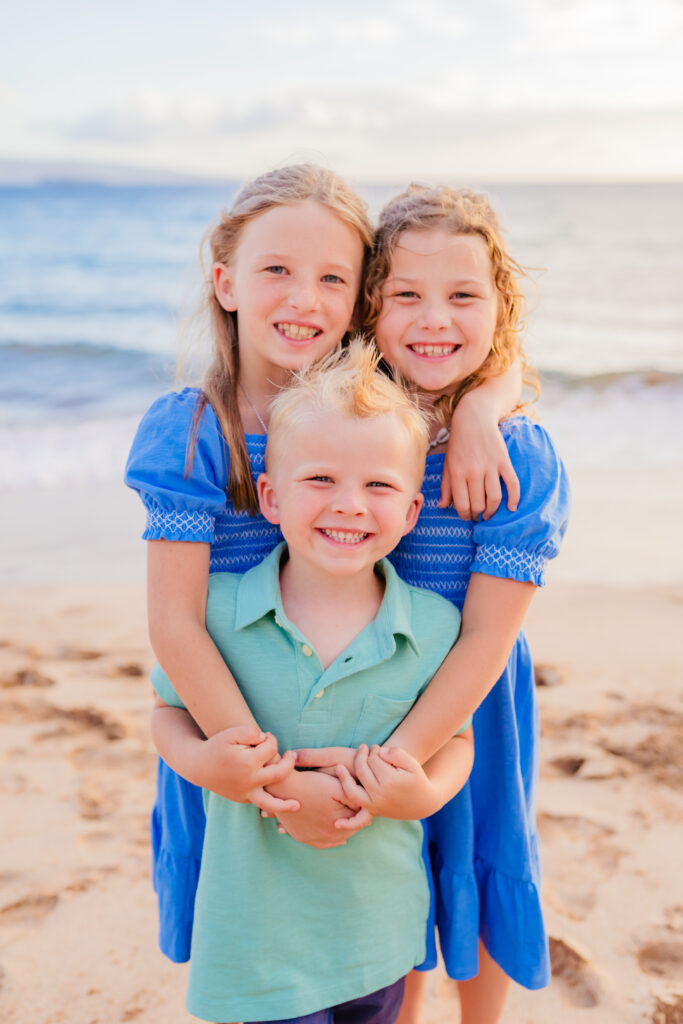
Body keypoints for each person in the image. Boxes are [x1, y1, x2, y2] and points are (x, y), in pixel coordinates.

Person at [124, 164, 523, 964]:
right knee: (260, 933)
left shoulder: (374, 406)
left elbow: (481, 349)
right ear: (224, 279)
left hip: (390, 699)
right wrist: (263, 775)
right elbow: (173, 624)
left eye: (332, 279)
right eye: (276, 270)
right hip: (238, 718)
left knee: (408, 904)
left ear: (358, 302)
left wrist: (483, 404)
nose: (304, 300)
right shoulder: (194, 430)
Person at [298, 185, 570, 1024]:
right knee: (397, 875)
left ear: (501, 308)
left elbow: (488, 636)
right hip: (371, 690)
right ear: (370, 309)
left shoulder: (517, 452)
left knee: (483, 862)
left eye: (462, 296)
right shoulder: (356, 427)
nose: (433, 319)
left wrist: (401, 763)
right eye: (405, 296)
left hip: (473, 704)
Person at [151, 341, 475, 1024]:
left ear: (412, 512)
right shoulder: (218, 613)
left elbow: (459, 739)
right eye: (320, 480)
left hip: (376, 930)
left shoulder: (434, 626)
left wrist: (424, 792)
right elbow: (166, 713)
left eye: (379, 486)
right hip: (259, 939)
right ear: (270, 495)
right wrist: (202, 761)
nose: (349, 506)